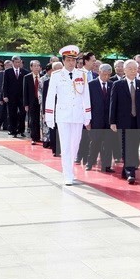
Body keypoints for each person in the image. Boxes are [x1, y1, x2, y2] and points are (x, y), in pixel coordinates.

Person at [44, 46, 92, 186]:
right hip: (63, 114)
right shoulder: (57, 75)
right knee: (65, 145)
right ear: (63, 61)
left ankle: (70, 169)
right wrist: (49, 117)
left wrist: (87, 115)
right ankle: (68, 174)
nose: (71, 63)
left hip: (77, 114)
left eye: (74, 60)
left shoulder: (82, 74)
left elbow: (86, 96)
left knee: (75, 144)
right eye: (69, 60)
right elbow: (51, 96)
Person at [110, 59, 140, 184]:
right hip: (123, 121)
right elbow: (113, 104)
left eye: (135, 68)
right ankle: (130, 172)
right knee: (126, 147)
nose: (133, 71)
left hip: (138, 121)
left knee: (134, 147)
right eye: (130, 69)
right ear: (124, 70)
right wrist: (112, 122)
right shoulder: (117, 85)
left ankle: (126, 170)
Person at [86, 63, 115, 173]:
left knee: (108, 144)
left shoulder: (112, 85)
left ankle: (106, 166)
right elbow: (87, 103)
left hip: (108, 121)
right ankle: (90, 163)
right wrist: (87, 120)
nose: (106, 77)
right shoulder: (91, 85)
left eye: (108, 74)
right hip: (95, 120)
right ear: (99, 72)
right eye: (104, 74)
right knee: (95, 143)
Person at [2, 55, 28, 138]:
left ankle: (21, 130)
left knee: (22, 114)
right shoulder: (7, 72)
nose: (18, 64)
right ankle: (13, 130)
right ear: (12, 62)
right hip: (11, 97)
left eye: (19, 62)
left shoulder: (24, 72)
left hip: (21, 97)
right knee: (12, 113)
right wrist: (5, 95)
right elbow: (5, 85)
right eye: (16, 62)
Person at [42, 61, 63, 157]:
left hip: (63, 109)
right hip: (52, 110)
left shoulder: (66, 80)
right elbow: (44, 98)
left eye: (60, 68)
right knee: (53, 129)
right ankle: (55, 149)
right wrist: (45, 112)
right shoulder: (47, 82)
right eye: (57, 69)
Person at [23, 60, 42, 145]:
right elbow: (25, 92)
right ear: (31, 67)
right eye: (35, 66)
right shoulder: (27, 77)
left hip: (41, 102)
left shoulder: (43, 76)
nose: (37, 68)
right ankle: (34, 137)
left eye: (38, 66)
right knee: (33, 120)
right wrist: (26, 104)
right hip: (31, 102)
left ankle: (40, 136)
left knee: (40, 119)